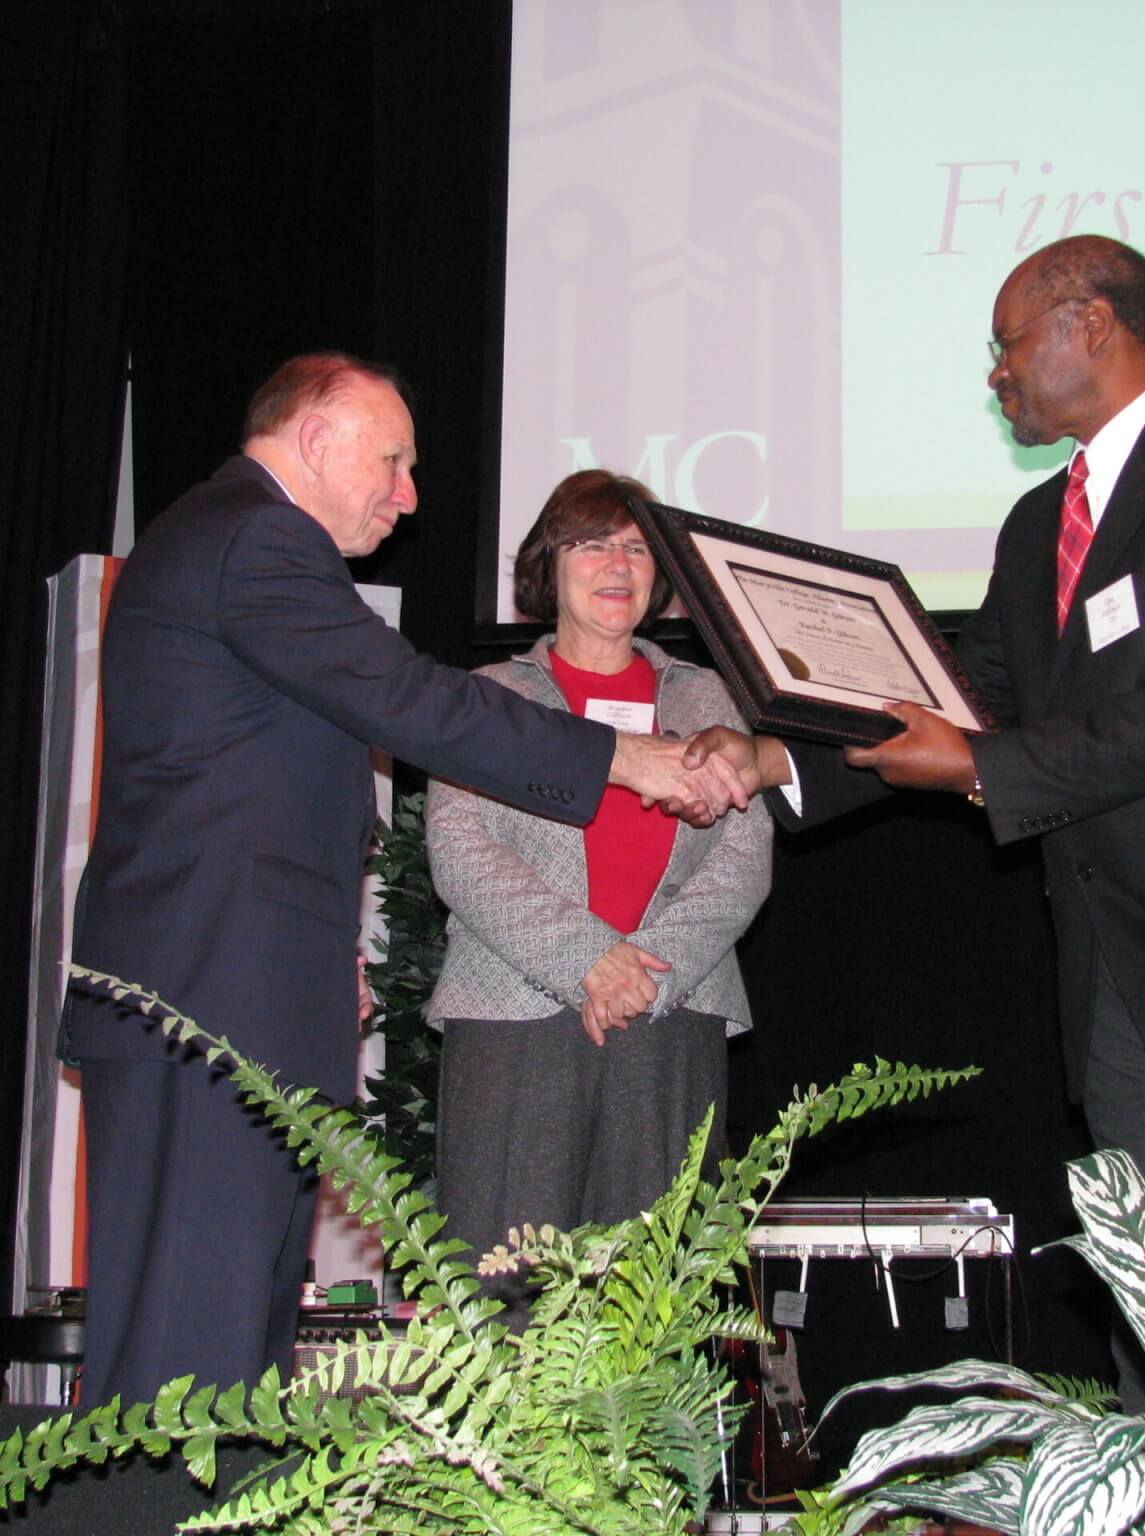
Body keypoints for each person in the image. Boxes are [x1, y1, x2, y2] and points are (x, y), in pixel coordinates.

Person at [61, 354, 744, 1406]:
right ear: (316, 437)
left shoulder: (238, 542)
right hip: (203, 1002)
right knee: (183, 1360)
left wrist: (323, 956)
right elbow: (407, 700)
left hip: (235, 991)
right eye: (393, 462)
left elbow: (255, 791)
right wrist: (621, 759)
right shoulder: (256, 538)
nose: (409, 494)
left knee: (230, 1355)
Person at [689, 237, 1145, 1404]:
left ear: (1089, 324)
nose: (995, 376)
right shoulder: (1030, 525)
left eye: (1007, 345)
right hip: (1108, 979)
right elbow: (965, 703)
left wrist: (984, 763)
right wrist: (774, 755)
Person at [425, 470, 772, 1314]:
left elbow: (747, 851)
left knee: (649, 1306)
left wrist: (647, 974)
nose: (617, 565)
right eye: (592, 544)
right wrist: (588, 961)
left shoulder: (704, 697)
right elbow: (459, 849)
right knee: (505, 1293)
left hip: (669, 1014)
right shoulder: (492, 699)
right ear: (551, 562)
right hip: (515, 1016)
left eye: (637, 548)